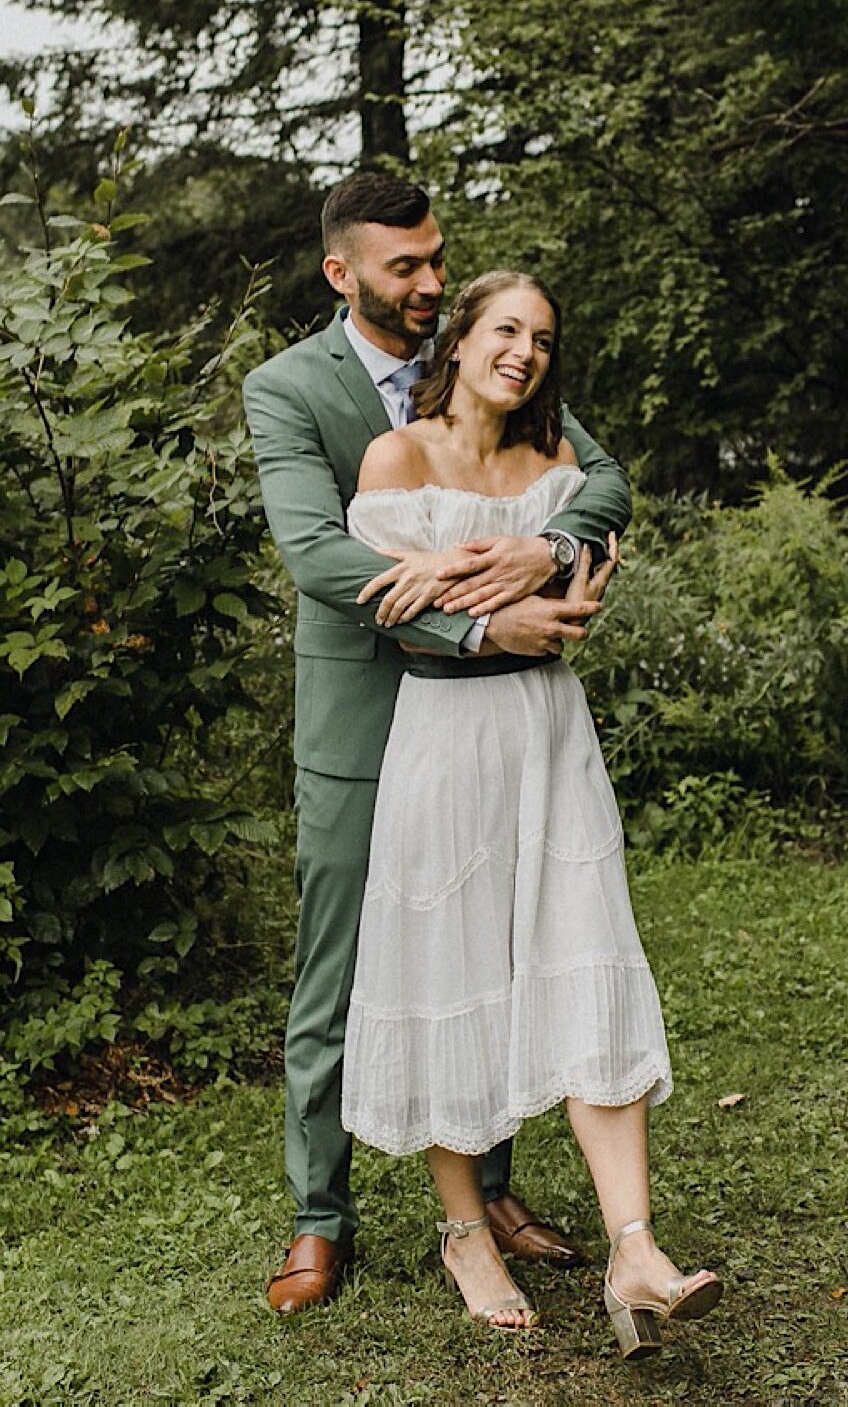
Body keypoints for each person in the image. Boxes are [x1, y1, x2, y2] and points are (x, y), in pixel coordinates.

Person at [241, 174, 627, 1316]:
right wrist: (474, 622)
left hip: (486, 730)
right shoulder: (288, 387)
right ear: (340, 271)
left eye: (435, 260)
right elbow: (315, 553)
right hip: (367, 724)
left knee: (490, 947)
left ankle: (491, 1190)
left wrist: (547, 547)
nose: (428, 283)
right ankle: (320, 1218)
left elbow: (597, 480)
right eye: (403, 266)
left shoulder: (482, 356)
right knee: (337, 972)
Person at [341, 269, 721, 1354]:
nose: (524, 352)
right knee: (445, 961)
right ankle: (466, 1231)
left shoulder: (558, 467)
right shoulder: (395, 458)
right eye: (505, 329)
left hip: (552, 736)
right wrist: (497, 603)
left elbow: (578, 604)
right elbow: (396, 618)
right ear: (458, 340)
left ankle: (634, 1246)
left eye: (543, 339)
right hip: (443, 739)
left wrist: (510, 580)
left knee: (583, 948)